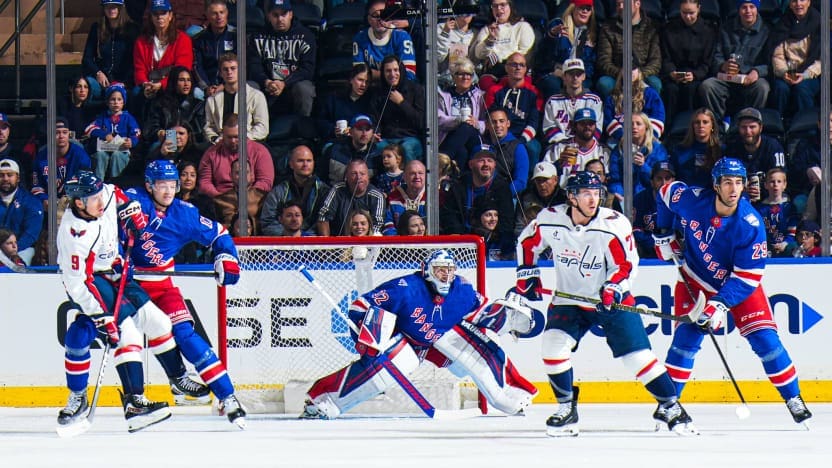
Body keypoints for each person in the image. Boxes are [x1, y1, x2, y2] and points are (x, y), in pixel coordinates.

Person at [516, 171, 697, 436]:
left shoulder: (613, 224)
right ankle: (566, 408)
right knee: (553, 347)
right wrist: (527, 274)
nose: (593, 199)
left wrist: (612, 287)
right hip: (569, 300)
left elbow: (626, 264)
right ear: (571, 197)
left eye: (596, 192)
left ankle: (670, 406)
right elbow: (526, 244)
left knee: (637, 358)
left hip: (611, 301)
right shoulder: (549, 220)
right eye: (586, 193)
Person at [654, 157, 812, 425]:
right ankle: (668, 404)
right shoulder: (692, 200)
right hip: (696, 279)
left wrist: (719, 304)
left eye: (739, 182)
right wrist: (663, 233)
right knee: (685, 343)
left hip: (738, 287)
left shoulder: (750, 224)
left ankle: (793, 397)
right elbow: (664, 193)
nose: (734, 189)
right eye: (728, 182)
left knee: (766, 342)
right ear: (716, 185)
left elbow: (748, 276)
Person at [302, 249, 539, 419]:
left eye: (449, 270)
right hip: (406, 340)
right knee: (391, 367)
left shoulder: (462, 289)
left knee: (478, 344)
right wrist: (370, 338)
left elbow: (482, 311)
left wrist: (509, 318)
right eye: (440, 271)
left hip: (438, 341)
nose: (446, 276)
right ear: (427, 271)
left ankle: (511, 394)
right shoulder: (404, 289)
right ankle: (324, 401)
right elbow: (361, 306)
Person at [123, 160, 247, 427]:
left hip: (163, 286)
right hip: (129, 286)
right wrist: (122, 209)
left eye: (172, 185)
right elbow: (115, 200)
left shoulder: (186, 214)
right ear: (148, 185)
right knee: (125, 339)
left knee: (186, 335)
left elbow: (220, 234)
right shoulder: (137, 199)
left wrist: (226, 257)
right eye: (161, 185)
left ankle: (228, 396)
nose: (167, 191)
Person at [56, 171, 179, 433]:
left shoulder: (103, 195)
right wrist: (103, 316)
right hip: (91, 282)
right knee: (127, 331)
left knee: (158, 322)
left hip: (115, 270)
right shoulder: (74, 235)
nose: (101, 200)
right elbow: (78, 285)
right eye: (93, 198)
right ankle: (135, 403)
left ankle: (178, 378)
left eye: (100, 194)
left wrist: (131, 211)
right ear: (79, 203)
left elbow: (118, 195)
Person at [698, 0, 770, 123]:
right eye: (744, 7)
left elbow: (771, 62)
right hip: (728, 79)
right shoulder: (726, 28)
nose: (748, 11)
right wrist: (723, 65)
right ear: (738, 9)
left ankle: (750, 123)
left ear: (757, 9)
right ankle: (718, 125)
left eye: (752, 7)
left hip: (751, 80)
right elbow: (716, 56)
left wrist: (757, 71)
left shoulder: (767, 30)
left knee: (762, 87)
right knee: (708, 86)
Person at [198, 113, 274, 227]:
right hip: (221, 199)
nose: (233, 141)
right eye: (229, 137)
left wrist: (248, 199)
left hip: (253, 200)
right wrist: (221, 199)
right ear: (222, 134)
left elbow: (265, 182)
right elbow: (204, 182)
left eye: (236, 137)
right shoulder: (211, 153)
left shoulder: (260, 151)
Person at [440, 145, 515, 258]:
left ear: (495, 165)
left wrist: (491, 237)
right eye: (481, 160)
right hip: (462, 243)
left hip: (492, 243)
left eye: (490, 160)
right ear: (471, 164)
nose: (486, 164)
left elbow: (506, 222)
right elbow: (449, 215)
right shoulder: (459, 185)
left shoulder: (502, 188)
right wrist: (461, 237)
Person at [248, 0, 317, 117]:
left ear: (290, 14)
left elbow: (307, 70)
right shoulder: (257, 37)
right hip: (267, 85)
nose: (280, 19)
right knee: (248, 87)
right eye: (275, 15)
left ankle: (302, 127)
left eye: (283, 14)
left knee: (304, 88)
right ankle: (250, 129)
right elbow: (253, 66)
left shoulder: (306, 36)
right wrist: (267, 82)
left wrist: (284, 83)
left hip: (293, 85)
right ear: (269, 16)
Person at [659, 0, 716, 119]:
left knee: (691, 89)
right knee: (670, 90)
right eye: (684, 13)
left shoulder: (708, 31)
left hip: (696, 74)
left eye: (691, 13)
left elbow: (707, 62)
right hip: (674, 74)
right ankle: (668, 128)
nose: (688, 17)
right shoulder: (669, 29)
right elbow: (665, 57)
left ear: (699, 9)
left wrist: (695, 74)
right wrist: (671, 72)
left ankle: (688, 126)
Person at [484, 53, 542, 166]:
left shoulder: (534, 92)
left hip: (524, 136)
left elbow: (534, 122)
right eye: (514, 64)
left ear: (526, 69)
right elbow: (490, 117)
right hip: (499, 133)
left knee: (533, 148)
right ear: (506, 67)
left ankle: (529, 182)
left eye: (521, 65)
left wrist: (521, 141)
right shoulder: (494, 90)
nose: (518, 67)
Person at [534, 0, 599, 100]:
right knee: (552, 84)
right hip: (556, 73)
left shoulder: (593, 33)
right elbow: (544, 56)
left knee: (584, 87)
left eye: (588, 9)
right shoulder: (558, 25)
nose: (585, 11)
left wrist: (576, 76)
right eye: (581, 7)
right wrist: (551, 37)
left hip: (580, 75)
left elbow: (591, 64)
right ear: (573, 8)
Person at [596, 0, 662, 97]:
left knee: (655, 83)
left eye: (624, 3)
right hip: (617, 75)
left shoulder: (651, 27)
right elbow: (604, 61)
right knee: (604, 83)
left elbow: (656, 62)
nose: (621, 7)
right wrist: (621, 73)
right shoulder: (608, 28)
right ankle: (615, 111)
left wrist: (640, 74)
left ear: (637, 4)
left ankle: (650, 111)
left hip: (643, 74)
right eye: (618, 4)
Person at [133, 0, 193, 106]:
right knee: (135, 94)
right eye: (155, 14)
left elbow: (183, 68)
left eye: (163, 13)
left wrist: (161, 84)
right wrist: (145, 84)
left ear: (170, 16)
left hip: (173, 85)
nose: (159, 17)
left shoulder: (183, 39)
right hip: (149, 85)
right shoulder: (141, 41)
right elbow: (139, 69)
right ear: (151, 17)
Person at [260, 145, 329, 237]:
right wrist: (289, 234)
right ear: (291, 164)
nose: (305, 165)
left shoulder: (324, 191)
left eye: (309, 161)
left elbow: (324, 222)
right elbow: (267, 222)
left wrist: (304, 236)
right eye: (300, 161)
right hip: (283, 244)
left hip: (312, 244)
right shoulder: (278, 192)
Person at [768, 0, 821, 120]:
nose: (798, 4)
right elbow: (777, 55)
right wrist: (784, 73)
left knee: (801, 89)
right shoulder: (783, 24)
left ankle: (805, 125)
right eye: (794, 1)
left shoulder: (818, 23)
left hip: (809, 74)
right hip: (786, 73)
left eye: (802, 0)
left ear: (809, 2)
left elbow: (822, 60)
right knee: (780, 88)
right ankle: (778, 124)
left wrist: (805, 75)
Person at [369, 56, 426, 162]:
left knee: (406, 149)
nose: (392, 74)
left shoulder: (415, 89)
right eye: (388, 71)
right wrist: (375, 132)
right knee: (378, 147)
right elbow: (375, 119)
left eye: (396, 70)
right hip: (387, 139)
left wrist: (402, 103)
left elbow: (420, 121)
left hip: (410, 138)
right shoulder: (378, 93)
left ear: (401, 71)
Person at [723, 107, 786, 202]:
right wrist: (742, 188)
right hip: (739, 198)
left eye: (752, 127)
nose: (748, 132)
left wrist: (763, 188)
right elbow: (725, 179)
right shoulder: (732, 149)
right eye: (743, 127)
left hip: (770, 197)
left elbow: (780, 178)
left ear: (760, 128)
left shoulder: (773, 147)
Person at [204, 53, 270, 144]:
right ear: (221, 73)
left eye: (233, 68)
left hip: (248, 143)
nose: (229, 72)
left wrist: (243, 138)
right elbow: (208, 126)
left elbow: (263, 127)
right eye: (225, 69)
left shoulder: (256, 96)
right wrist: (216, 139)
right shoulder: (212, 100)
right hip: (220, 145)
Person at [82, 0, 140, 103]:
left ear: (120, 8)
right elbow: (87, 58)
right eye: (107, 6)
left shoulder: (132, 29)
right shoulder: (97, 28)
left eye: (114, 6)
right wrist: (98, 73)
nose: (111, 9)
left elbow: (136, 61)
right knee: (85, 85)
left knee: (134, 92)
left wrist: (125, 82)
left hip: (125, 80)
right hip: (103, 80)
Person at [471, 0, 534, 91]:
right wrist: (490, 40)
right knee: (485, 83)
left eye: (502, 5)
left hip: (516, 69)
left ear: (510, 7)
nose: (499, 9)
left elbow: (524, 52)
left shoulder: (522, 27)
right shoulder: (486, 29)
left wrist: (498, 56)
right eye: (495, 6)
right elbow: (479, 53)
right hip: (493, 72)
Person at [143, 67, 208, 153]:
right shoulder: (160, 103)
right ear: (174, 82)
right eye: (181, 80)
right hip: (168, 139)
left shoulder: (197, 105)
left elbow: (199, 131)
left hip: (189, 142)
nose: (186, 84)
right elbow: (150, 128)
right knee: (156, 147)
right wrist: (160, 133)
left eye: (189, 80)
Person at [31, 118, 93, 208]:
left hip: (73, 201)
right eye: (57, 133)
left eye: (64, 132)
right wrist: (44, 199)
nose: (61, 136)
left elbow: (87, 184)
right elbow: (36, 187)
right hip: (48, 202)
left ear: (69, 134)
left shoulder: (80, 155)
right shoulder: (41, 157)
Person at [541, 59, 603, 146]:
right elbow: (549, 128)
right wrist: (567, 143)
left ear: (584, 76)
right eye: (571, 74)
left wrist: (582, 144)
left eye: (578, 74)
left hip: (587, 146)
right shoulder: (553, 101)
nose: (575, 78)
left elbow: (597, 129)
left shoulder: (594, 101)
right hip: (559, 146)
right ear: (564, 77)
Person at [85, 83, 141, 180]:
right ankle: (99, 184)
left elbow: (136, 133)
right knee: (99, 155)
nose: (116, 102)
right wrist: (104, 134)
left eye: (119, 99)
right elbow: (89, 129)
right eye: (112, 99)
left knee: (117, 155)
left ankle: (115, 184)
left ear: (123, 102)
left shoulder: (128, 117)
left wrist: (132, 141)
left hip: (121, 150)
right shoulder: (102, 117)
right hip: (104, 149)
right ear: (107, 102)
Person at [438, 57, 486, 167]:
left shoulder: (480, 96)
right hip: (449, 135)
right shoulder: (444, 95)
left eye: (469, 74)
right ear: (453, 76)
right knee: (462, 152)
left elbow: (486, 122)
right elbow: (438, 118)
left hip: (473, 135)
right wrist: (458, 120)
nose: (465, 77)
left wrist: (477, 123)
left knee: (466, 126)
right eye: (461, 74)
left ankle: (441, 161)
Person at [317, 159, 385, 236]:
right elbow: (323, 217)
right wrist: (328, 246)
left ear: (368, 177)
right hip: (338, 242)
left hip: (366, 243)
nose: (358, 177)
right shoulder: (337, 189)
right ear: (346, 176)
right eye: (354, 173)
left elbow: (377, 226)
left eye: (362, 174)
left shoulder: (377, 196)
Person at [353, 0, 417, 81]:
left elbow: (409, 74)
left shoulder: (402, 37)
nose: (380, 19)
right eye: (375, 16)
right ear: (369, 19)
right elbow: (358, 74)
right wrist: (391, 75)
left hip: (399, 90)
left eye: (385, 15)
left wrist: (373, 73)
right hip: (371, 89)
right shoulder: (360, 38)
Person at [543, 107, 609, 186]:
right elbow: (544, 174)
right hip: (563, 194)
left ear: (595, 126)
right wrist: (558, 164)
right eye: (583, 123)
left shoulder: (603, 151)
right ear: (574, 126)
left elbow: (609, 179)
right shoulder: (558, 148)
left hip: (594, 194)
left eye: (591, 123)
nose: (587, 127)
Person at [608, 112, 668, 198]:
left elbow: (660, 179)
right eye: (630, 124)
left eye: (638, 124)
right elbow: (615, 179)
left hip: (651, 196)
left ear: (646, 127)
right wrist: (619, 196)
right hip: (626, 198)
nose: (634, 127)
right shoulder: (619, 150)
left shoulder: (658, 149)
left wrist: (643, 166)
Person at [603, 60, 665, 142]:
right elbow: (608, 119)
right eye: (626, 69)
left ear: (638, 71)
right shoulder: (613, 97)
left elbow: (658, 118)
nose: (630, 72)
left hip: (646, 141)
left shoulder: (650, 94)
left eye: (633, 69)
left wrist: (645, 138)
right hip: (619, 141)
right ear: (621, 72)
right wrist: (622, 137)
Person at [0, 159, 43, 265]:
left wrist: (12, 250)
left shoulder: (31, 202)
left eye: (10, 175)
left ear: (18, 178)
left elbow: (31, 235)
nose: (5, 179)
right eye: (1, 175)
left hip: (22, 249)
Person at [314, 64, 371, 142]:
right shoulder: (334, 99)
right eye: (360, 80)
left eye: (367, 82)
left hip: (361, 143)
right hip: (336, 141)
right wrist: (333, 130)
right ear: (351, 79)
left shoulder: (370, 102)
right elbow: (321, 122)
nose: (363, 85)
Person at [192, 0, 237, 98]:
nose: (219, 17)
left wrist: (224, 85)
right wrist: (207, 87)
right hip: (207, 86)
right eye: (214, 13)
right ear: (207, 15)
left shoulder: (236, 36)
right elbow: (197, 66)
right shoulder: (199, 39)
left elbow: (243, 64)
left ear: (227, 13)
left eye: (222, 12)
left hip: (232, 83)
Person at [321, 114, 382, 185]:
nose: (364, 133)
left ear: (372, 132)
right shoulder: (333, 150)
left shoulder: (377, 156)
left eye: (367, 129)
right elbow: (321, 177)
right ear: (350, 132)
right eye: (360, 129)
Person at [669, 108, 723, 187]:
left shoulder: (721, 150)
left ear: (712, 126)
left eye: (705, 122)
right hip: (685, 194)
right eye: (697, 122)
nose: (701, 126)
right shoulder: (680, 150)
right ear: (692, 126)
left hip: (711, 195)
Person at [483, 106, 530, 197]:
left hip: (506, 197)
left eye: (501, 121)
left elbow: (521, 182)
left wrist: (502, 195)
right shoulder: (481, 144)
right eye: (493, 122)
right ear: (487, 125)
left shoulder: (518, 147)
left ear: (508, 123)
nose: (498, 125)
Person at [632, 161, 676, 258]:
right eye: (659, 179)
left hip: (674, 249)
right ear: (652, 182)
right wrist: (657, 243)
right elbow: (636, 229)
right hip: (647, 249)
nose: (664, 183)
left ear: (673, 181)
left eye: (667, 178)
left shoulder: (681, 200)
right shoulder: (640, 199)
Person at [754, 168, 798, 258]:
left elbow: (792, 230)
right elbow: (757, 232)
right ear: (765, 185)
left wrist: (785, 243)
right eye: (772, 181)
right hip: (765, 249)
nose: (775, 185)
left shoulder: (789, 207)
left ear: (784, 185)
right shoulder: (759, 209)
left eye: (779, 181)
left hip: (786, 247)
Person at [515, 161, 566, 236]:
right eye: (538, 180)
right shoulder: (525, 197)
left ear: (555, 180)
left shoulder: (564, 199)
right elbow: (518, 227)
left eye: (545, 180)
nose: (541, 184)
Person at [382, 160, 426, 235]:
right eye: (412, 173)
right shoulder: (393, 197)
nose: (417, 176)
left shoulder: (433, 198)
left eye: (420, 173)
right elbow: (388, 226)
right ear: (404, 177)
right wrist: (401, 243)